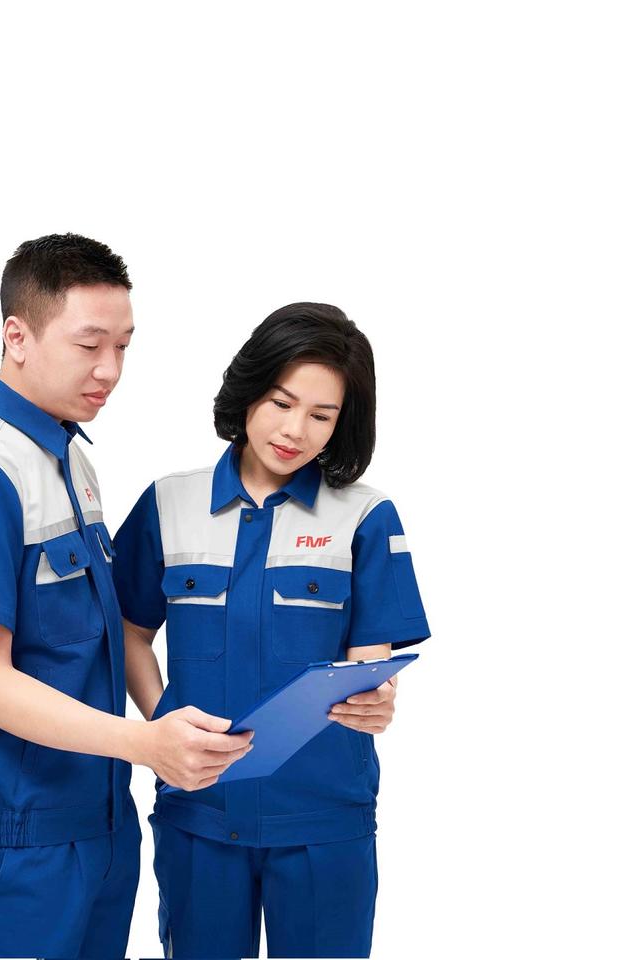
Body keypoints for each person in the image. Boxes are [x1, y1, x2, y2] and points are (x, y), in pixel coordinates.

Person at [0, 233, 254, 960]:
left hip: (97, 824)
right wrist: (145, 744)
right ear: (17, 336)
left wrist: (166, 725)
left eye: (123, 346)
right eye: (90, 345)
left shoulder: (67, 458)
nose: (110, 369)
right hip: (16, 846)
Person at [112, 302, 431, 959]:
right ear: (249, 389)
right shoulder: (168, 503)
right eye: (282, 403)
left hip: (322, 818)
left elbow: (368, 665)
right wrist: (163, 722)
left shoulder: (365, 517)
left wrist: (376, 700)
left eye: (322, 415)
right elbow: (127, 631)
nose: (295, 430)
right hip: (199, 811)